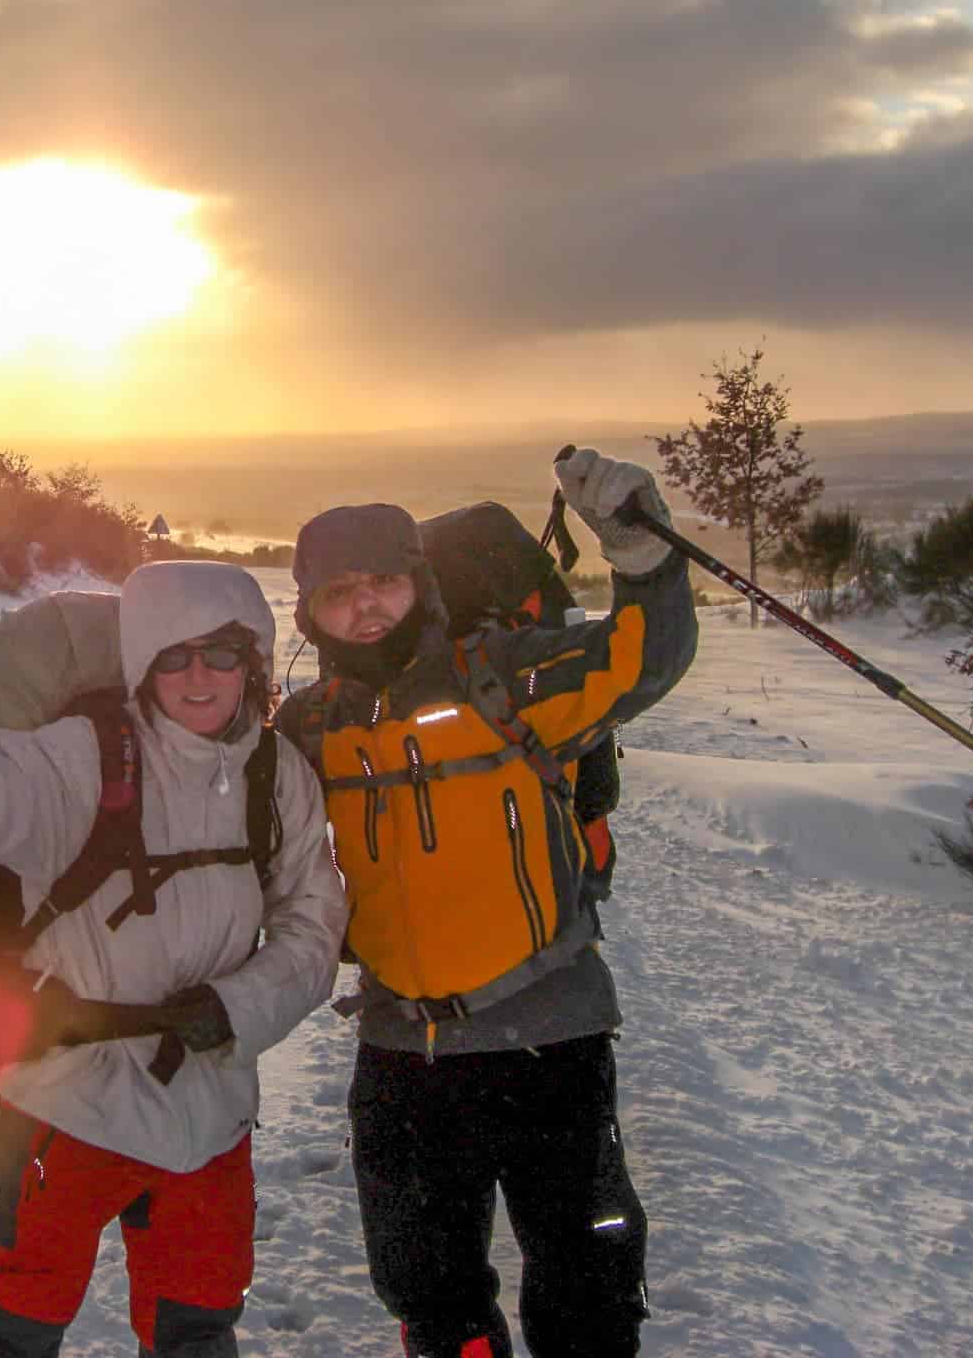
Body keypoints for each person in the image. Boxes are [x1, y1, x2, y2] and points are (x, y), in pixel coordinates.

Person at [0, 560, 348, 1358]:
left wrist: (238, 1008)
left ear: (254, 663)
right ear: (143, 666)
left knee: (197, 1326)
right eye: (173, 657)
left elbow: (313, 926)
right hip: (68, 1102)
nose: (198, 676)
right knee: (18, 1326)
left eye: (221, 653)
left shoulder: (279, 779)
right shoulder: (86, 759)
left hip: (211, 1105)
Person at [272, 448, 697, 1358]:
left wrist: (639, 553)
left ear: (417, 583)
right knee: (433, 1301)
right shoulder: (307, 728)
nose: (365, 606)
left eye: (383, 581)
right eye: (339, 591)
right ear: (309, 609)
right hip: (402, 1049)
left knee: (586, 1292)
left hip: (549, 1036)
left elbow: (641, 662)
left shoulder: (505, 675)